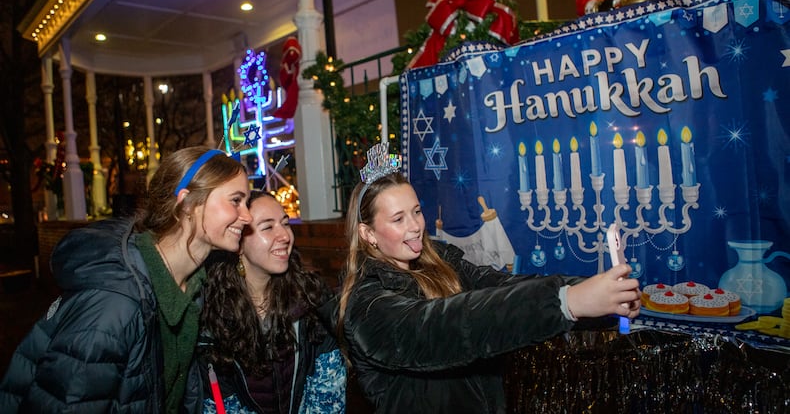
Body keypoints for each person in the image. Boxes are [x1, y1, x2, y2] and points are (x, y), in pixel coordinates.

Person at [332, 142, 641, 413]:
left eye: (416, 212)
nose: (415, 226)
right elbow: (448, 325)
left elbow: (501, 286)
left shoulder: (439, 263)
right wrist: (565, 302)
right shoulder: (367, 304)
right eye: (398, 219)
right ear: (368, 233)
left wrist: (591, 293)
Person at [0, 146, 253, 413]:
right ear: (188, 203)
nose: (247, 216)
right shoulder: (115, 302)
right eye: (236, 201)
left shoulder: (192, 287)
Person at [189, 190, 345, 414]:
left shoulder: (310, 299)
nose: (285, 236)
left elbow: (328, 393)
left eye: (285, 223)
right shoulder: (212, 314)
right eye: (268, 227)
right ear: (238, 243)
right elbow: (218, 402)